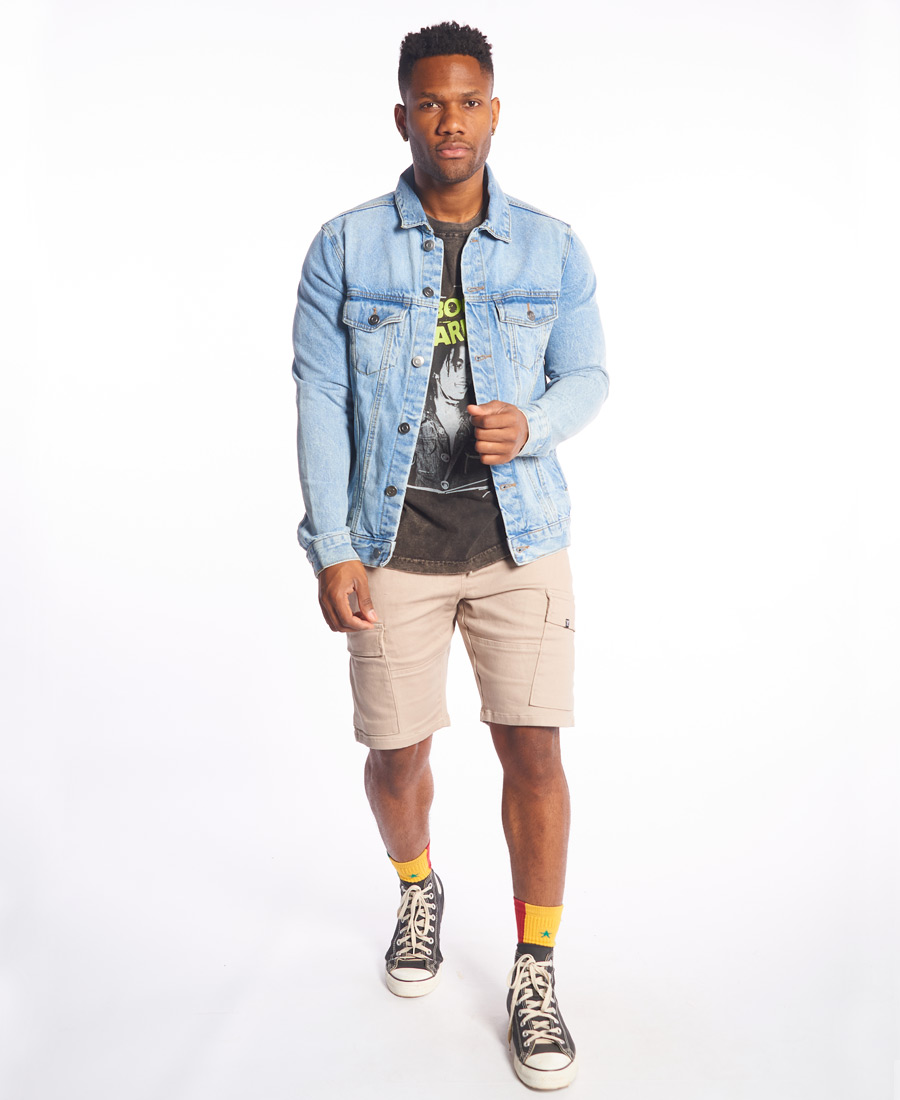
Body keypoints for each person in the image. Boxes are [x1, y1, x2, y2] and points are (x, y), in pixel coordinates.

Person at [291, 21, 608, 1091]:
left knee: (535, 754)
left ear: (494, 111)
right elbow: (321, 398)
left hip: (522, 540)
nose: (451, 121)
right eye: (431, 103)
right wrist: (333, 547)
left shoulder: (552, 246)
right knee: (396, 755)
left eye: (469, 101)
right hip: (393, 545)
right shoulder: (344, 246)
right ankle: (418, 886)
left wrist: (537, 425)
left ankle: (536, 967)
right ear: (403, 117)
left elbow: (589, 375)